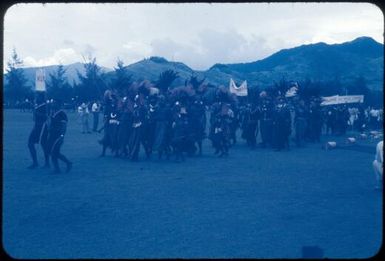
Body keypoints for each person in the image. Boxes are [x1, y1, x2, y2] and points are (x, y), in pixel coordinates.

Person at [47, 99, 72, 173]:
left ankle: (59, 168)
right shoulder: (53, 113)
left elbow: (64, 126)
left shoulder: (62, 114)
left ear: (58, 104)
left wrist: (62, 135)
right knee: (54, 152)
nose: (53, 105)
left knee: (54, 152)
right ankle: (66, 164)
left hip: (58, 136)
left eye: (54, 103)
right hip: (52, 135)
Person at [27, 92, 48, 169]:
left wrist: (37, 113)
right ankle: (36, 162)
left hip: (42, 127)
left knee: (43, 144)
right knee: (31, 144)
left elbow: (46, 116)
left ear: (41, 98)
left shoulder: (45, 106)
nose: (36, 98)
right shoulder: (38, 106)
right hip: (36, 126)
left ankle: (45, 162)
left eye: (37, 96)